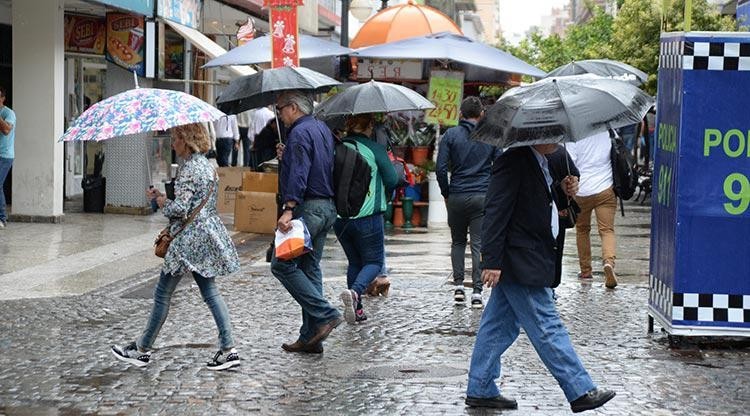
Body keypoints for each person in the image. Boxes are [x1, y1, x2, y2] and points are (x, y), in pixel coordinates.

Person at [465, 143, 615, 413]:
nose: (559, 140)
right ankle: (579, 389)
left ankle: (481, 387)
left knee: (499, 326)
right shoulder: (513, 161)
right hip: (520, 258)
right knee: (546, 325)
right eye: (553, 134)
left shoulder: (552, 157)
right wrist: (491, 260)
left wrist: (567, 189)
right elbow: (496, 210)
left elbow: (554, 201)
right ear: (536, 134)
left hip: (536, 254)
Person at [111, 123, 241, 370]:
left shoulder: (189, 169)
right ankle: (228, 349)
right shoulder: (207, 166)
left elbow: (181, 209)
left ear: (187, 140)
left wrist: (161, 201)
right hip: (205, 236)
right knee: (210, 292)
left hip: (187, 241)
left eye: (175, 139)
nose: (172, 143)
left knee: (162, 294)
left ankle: (141, 349)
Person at [271, 90, 342, 354]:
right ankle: (311, 336)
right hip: (326, 207)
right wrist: (286, 156)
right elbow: (314, 164)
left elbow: (301, 172)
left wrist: (288, 208)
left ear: (292, 108)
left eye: (280, 109)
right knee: (310, 269)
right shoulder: (321, 128)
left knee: (282, 265)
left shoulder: (299, 133)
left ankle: (325, 315)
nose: (279, 115)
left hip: (308, 208)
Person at [436, 96, 501, 308]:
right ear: (482, 114)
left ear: (461, 114)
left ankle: (458, 287)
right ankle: (477, 292)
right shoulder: (490, 135)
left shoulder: (450, 135)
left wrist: (447, 192)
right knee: (478, 243)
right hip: (482, 196)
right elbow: (500, 165)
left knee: (457, 242)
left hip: (457, 195)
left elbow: (441, 168)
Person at [334, 114, 398, 324]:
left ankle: (357, 309)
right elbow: (392, 179)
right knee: (373, 261)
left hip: (340, 217)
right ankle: (355, 293)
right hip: (368, 216)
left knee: (355, 262)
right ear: (370, 126)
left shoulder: (337, 147)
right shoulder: (375, 149)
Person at [565, 131, 619, 289]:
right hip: (605, 189)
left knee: (582, 230)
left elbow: (570, 164)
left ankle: (586, 271)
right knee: (607, 230)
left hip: (582, 191)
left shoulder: (574, 135)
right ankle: (608, 262)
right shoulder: (606, 130)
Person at [0, 86, 15, 229]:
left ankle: (2, 218)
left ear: (3, 98)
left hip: (4, 155)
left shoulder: (8, 113)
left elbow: (6, 130)